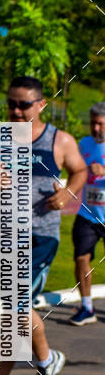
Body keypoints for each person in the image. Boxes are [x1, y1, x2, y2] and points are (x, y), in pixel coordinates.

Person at [0, 75, 87, 375]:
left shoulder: (59, 140)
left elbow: (78, 172)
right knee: (16, 311)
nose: (16, 111)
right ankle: (48, 361)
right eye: (11, 104)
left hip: (41, 236)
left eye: (24, 105)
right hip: (2, 236)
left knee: (15, 311)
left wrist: (68, 192)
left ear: (42, 105)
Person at [68, 101, 105, 325]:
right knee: (81, 258)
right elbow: (76, 171)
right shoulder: (83, 144)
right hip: (88, 215)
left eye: (101, 124)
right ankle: (87, 307)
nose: (96, 128)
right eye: (93, 123)